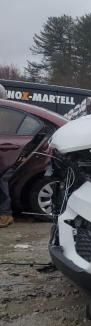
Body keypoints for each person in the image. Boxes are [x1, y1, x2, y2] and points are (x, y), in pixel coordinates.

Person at [0, 83, 14, 227]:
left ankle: (5, 215)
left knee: (2, 182)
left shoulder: (5, 112)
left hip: (6, 155)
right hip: (8, 153)